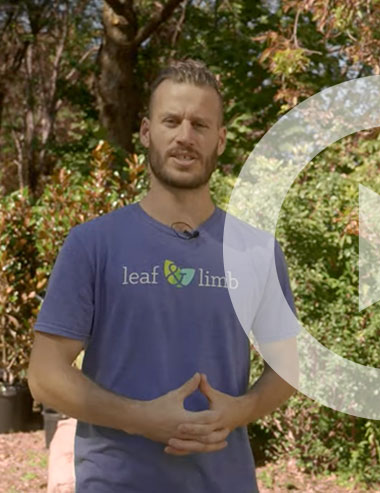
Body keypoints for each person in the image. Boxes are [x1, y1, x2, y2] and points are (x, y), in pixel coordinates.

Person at [28, 59, 300, 492]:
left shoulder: (256, 251)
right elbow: (44, 374)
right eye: (171, 121)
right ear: (145, 131)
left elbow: (289, 367)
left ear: (221, 139)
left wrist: (239, 410)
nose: (185, 137)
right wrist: (141, 420)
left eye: (200, 124)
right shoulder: (93, 244)